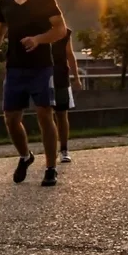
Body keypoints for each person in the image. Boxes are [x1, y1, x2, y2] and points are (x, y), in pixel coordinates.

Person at [0, 0, 68, 187]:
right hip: (15, 68)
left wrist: (39, 39)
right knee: (11, 119)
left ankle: (50, 168)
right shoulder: (5, 2)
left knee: (44, 114)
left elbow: (59, 30)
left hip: (41, 67)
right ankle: (25, 156)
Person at [52, 27, 83, 163]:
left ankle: (64, 149)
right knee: (46, 114)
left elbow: (70, 54)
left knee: (61, 114)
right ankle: (51, 150)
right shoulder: (37, 28)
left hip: (60, 77)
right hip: (43, 76)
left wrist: (76, 77)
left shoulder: (64, 32)